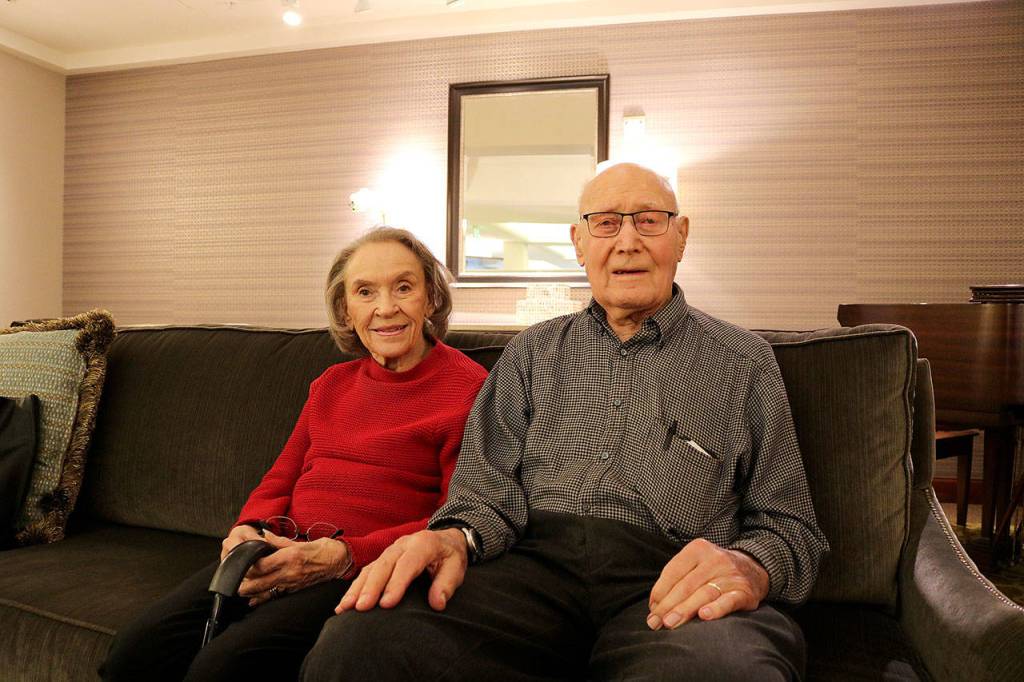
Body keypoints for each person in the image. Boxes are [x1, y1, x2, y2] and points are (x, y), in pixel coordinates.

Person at [302, 164, 830, 681]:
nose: (627, 241)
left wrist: (750, 565)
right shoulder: (531, 352)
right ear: (579, 243)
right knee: (361, 642)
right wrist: (453, 537)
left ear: (681, 235)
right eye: (605, 223)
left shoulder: (743, 361)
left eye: (649, 220)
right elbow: (482, 494)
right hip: (526, 573)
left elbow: (792, 527)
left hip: (668, 581)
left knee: (725, 668)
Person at [101, 227, 488, 681]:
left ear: (431, 299)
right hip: (277, 549)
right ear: (346, 308)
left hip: (359, 567)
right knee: (134, 653)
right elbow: (279, 478)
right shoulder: (331, 385)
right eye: (365, 292)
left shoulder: (469, 388)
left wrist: (342, 553)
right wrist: (247, 529)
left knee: (223, 668)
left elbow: (456, 518)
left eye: (403, 287)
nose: (386, 308)